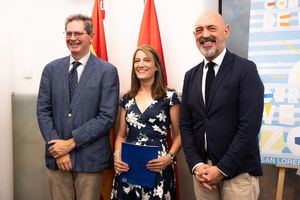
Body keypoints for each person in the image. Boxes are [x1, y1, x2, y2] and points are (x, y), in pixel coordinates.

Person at [180, 11, 264, 200]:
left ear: (226, 31)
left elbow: (249, 127)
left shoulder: (246, 70)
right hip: (203, 174)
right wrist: (196, 165)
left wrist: (223, 168)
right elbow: (186, 125)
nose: (205, 35)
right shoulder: (190, 76)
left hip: (238, 174)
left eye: (212, 28)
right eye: (199, 30)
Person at [37, 14, 119, 200]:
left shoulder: (107, 71)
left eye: (78, 33)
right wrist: (58, 149)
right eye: (69, 33)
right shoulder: (51, 69)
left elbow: (106, 117)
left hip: (90, 160)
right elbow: (43, 111)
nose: (72, 38)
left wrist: (69, 144)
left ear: (91, 36)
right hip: (57, 159)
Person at [111, 45, 181, 200]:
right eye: (137, 61)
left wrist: (169, 158)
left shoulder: (170, 97)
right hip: (129, 167)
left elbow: (179, 135)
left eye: (146, 60)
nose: (140, 64)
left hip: (158, 168)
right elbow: (121, 135)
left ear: (156, 66)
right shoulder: (127, 99)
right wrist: (117, 157)